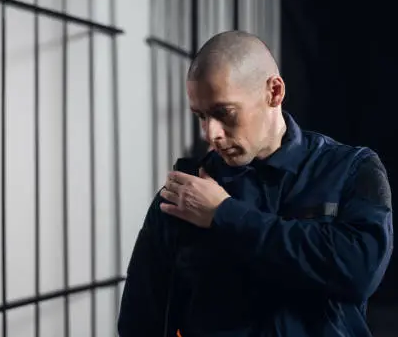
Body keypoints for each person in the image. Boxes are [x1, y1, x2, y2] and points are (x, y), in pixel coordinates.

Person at [118, 31, 393, 336]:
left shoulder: (350, 169)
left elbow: (358, 272)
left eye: (224, 113)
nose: (211, 134)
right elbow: (139, 320)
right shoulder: (186, 195)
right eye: (201, 116)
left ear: (274, 92)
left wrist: (224, 214)